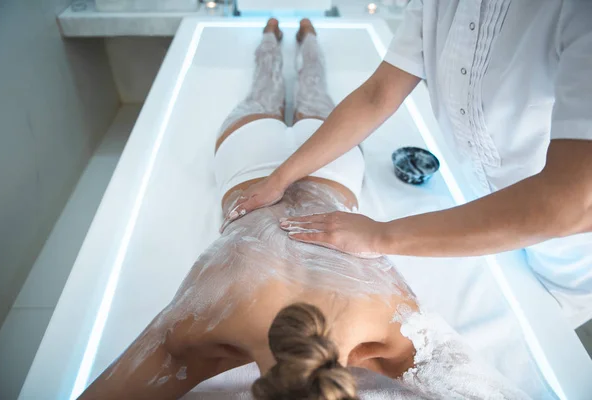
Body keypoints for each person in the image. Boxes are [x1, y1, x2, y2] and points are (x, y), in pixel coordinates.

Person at [78, 20, 527, 400]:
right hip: (250, 162)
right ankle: (287, 34)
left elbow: (479, 387)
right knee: (285, 88)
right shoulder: (206, 318)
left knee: (290, 87)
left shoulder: (387, 325)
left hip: (330, 166)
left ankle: (285, 35)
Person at [225, 1, 592, 329]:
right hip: (478, 210)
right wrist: (281, 177)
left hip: (566, 261)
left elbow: (568, 205)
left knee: (548, 335)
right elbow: (377, 94)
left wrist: (379, 236)